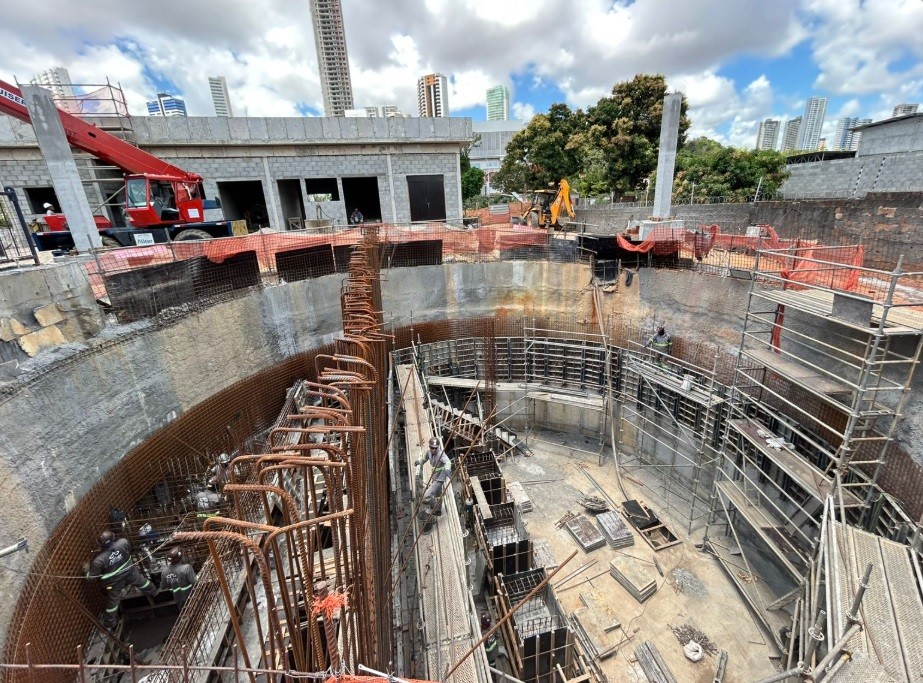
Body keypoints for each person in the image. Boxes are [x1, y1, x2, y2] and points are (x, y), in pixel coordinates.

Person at [86, 530, 157, 629]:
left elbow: (91, 578)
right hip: (130, 572)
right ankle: (155, 593)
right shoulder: (123, 542)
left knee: (113, 602)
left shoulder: (99, 560)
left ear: (99, 544)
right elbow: (129, 549)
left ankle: (110, 623)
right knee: (143, 583)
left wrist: (86, 570)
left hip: (114, 582)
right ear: (113, 538)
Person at [415, 437, 451, 515]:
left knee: (426, 496)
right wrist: (419, 461)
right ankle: (438, 510)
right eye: (432, 448)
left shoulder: (441, 454)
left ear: (438, 447)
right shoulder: (429, 453)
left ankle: (434, 507)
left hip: (440, 478)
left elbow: (448, 461)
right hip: (434, 476)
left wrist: (447, 469)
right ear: (429, 446)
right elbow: (424, 459)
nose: (433, 450)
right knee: (438, 495)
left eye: (435, 448)